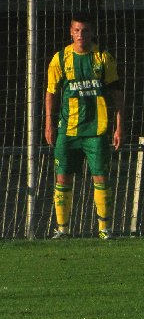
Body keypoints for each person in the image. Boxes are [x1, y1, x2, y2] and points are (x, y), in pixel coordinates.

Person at [45, 12, 124, 239]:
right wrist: (49, 123)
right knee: (62, 177)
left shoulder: (103, 57)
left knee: (100, 177)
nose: (81, 35)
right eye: (77, 30)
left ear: (93, 32)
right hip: (67, 130)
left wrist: (119, 127)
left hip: (96, 130)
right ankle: (62, 230)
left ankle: (104, 229)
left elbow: (117, 95)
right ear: (71, 32)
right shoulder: (60, 59)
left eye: (85, 30)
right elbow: (51, 93)